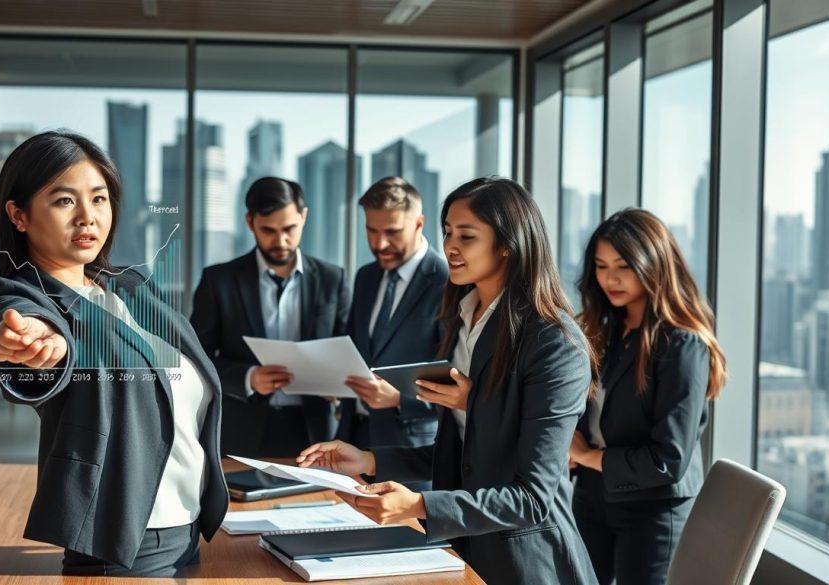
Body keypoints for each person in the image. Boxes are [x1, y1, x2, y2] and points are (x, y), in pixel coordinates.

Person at [297, 177, 598, 585]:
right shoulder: (463, 320)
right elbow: (461, 455)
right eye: (448, 233)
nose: (450, 246)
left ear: (508, 244)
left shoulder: (553, 341)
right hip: (465, 551)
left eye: (467, 236)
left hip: (527, 562)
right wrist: (369, 460)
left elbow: (531, 498)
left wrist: (420, 504)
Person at [0, 131, 227, 577]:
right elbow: (15, 318)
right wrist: (41, 340)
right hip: (123, 542)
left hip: (187, 528)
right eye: (65, 201)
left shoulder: (130, 286)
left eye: (99, 199)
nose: (88, 217)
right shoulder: (16, 294)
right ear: (19, 215)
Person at [569, 208, 727, 585]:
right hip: (593, 495)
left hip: (652, 510)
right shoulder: (605, 332)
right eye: (601, 265)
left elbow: (668, 460)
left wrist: (587, 455)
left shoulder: (683, 344)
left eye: (623, 265)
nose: (610, 278)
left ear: (654, 263)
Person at [190, 177, 351, 457]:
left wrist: (337, 381)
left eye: (289, 228)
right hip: (240, 432)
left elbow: (350, 349)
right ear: (250, 222)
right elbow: (195, 359)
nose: (281, 241)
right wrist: (248, 378)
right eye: (268, 230)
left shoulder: (332, 279)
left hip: (315, 433)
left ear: (304, 217)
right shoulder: (219, 281)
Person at [337, 177, 447, 453]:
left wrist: (400, 399)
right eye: (371, 230)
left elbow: (460, 380)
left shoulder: (448, 283)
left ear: (419, 224)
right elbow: (354, 350)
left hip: (412, 449)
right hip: (355, 439)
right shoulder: (366, 276)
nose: (380, 243)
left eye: (392, 232)